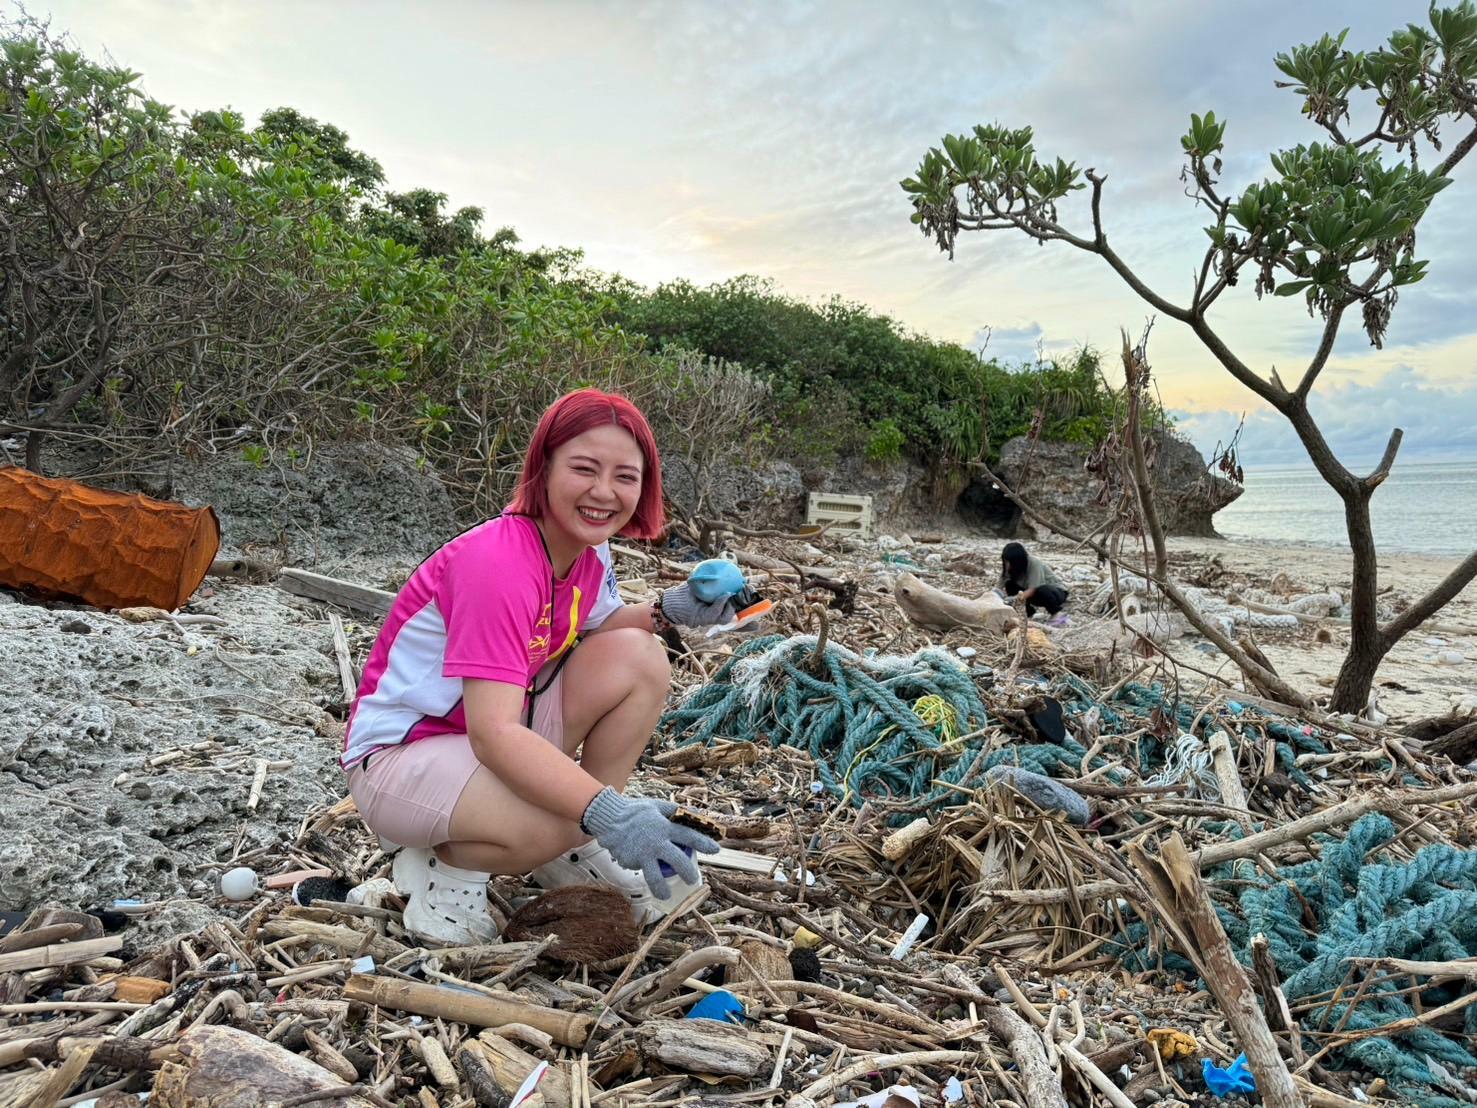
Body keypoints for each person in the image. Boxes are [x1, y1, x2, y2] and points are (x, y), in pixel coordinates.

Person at [341, 389, 734, 944]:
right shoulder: (498, 564)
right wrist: (610, 813)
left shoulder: (585, 548)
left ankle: (573, 845)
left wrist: (668, 611)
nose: (604, 492)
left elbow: (597, 626)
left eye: (625, 475)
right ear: (543, 468)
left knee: (640, 656)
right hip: (403, 755)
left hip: (491, 731)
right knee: (571, 811)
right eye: (584, 469)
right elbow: (493, 733)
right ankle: (445, 875)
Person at [998, 541, 1069, 617]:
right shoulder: (1011, 569)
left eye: (1009, 562)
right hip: (1032, 594)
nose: (1007, 565)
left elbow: (1033, 589)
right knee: (1009, 585)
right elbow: (999, 587)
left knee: (1041, 589)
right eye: (1006, 561)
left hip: (1054, 593)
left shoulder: (1034, 563)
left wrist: (1014, 599)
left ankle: (1056, 613)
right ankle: (1029, 613)